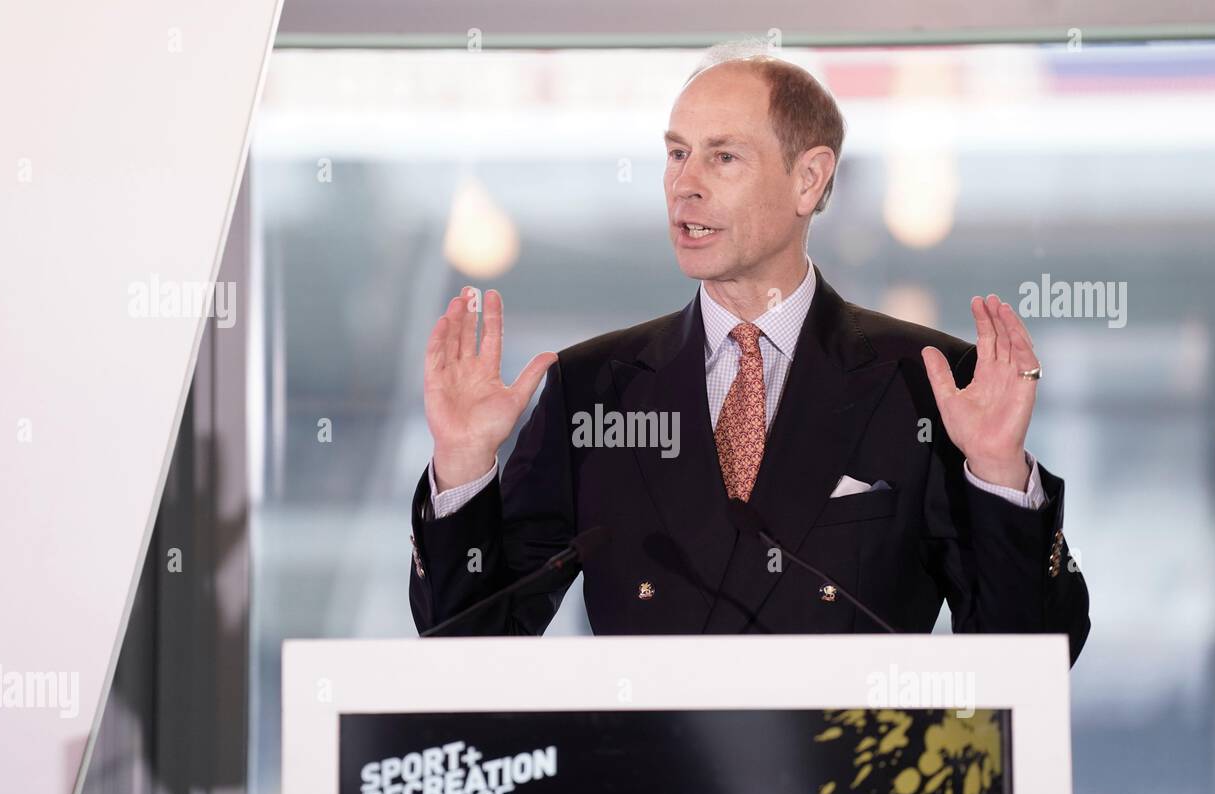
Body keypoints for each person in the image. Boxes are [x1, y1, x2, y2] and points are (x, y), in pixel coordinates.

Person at [408, 50, 1090, 664]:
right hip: (646, 791)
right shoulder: (591, 392)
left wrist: (998, 473)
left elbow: (1032, 655)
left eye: (723, 157)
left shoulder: (927, 383)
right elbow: (469, 651)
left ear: (808, 179)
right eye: (676, 154)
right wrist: (464, 464)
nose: (685, 185)